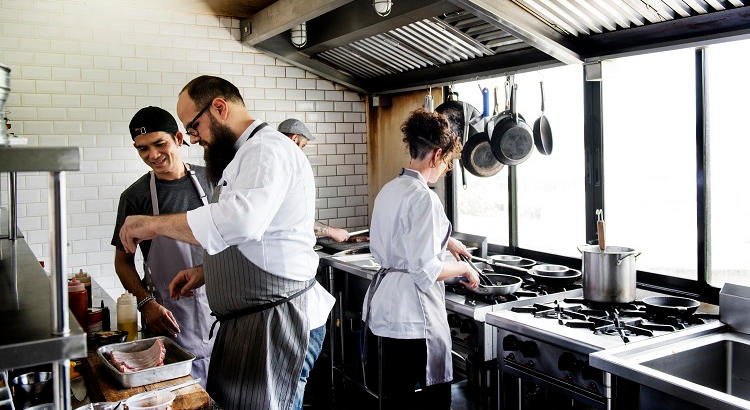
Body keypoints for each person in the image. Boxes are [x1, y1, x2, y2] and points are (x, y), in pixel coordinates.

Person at [118, 76, 334, 410]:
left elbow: (240, 222)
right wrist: (207, 271)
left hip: (277, 320)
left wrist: (152, 225)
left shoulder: (267, 149)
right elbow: (257, 238)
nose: (193, 138)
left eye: (193, 127)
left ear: (219, 108)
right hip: (253, 322)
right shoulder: (244, 156)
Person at [362, 109, 480, 409]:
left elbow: (400, 238)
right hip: (414, 319)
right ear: (437, 154)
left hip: (387, 313)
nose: (445, 169)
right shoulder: (425, 198)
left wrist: (446, 239)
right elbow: (425, 269)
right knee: (432, 403)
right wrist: (464, 268)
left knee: (394, 399)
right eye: (448, 162)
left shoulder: (391, 189)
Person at [111, 106, 214, 384]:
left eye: (159, 144)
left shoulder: (214, 179)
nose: (152, 156)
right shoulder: (135, 197)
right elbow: (122, 262)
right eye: (142, 149)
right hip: (170, 316)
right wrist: (146, 304)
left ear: (178, 138)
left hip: (221, 309)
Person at [277, 118, 351, 243]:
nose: (301, 151)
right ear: (294, 139)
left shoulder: (274, 162)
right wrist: (331, 231)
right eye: (303, 146)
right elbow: (295, 217)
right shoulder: (286, 167)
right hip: (286, 248)